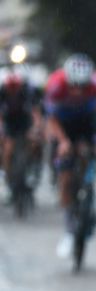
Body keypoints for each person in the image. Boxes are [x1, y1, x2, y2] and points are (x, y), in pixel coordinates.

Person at [45, 54, 96, 257]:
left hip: (89, 123)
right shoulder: (56, 85)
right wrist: (63, 141)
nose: (78, 92)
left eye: (83, 87)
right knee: (65, 177)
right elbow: (51, 120)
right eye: (74, 86)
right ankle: (68, 229)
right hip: (64, 126)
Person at [0, 70, 43, 198]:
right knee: (7, 151)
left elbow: (35, 113)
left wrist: (36, 128)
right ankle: (8, 179)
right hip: (10, 123)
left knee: (35, 142)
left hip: (25, 122)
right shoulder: (2, 93)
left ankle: (33, 167)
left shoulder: (27, 93)